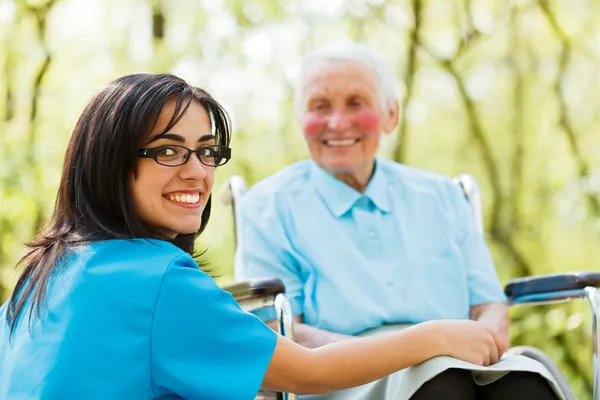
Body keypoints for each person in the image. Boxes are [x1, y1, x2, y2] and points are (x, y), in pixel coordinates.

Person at [0, 73, 514, 400]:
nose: (197, 172)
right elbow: (309, 371)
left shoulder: (41, 275)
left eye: (206, 151)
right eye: (168, 151)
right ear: (110, 164)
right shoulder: (155, 281)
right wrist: (435, 335)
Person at [235, 44, 564, 400]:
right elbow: (282, 332)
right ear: (301, 122)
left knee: (525, 385)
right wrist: (411, 351)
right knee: (441, 385)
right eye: (320, 106)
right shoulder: (268, 207)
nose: (338, 122)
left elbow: (489, 308)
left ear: (391, 115)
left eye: (356, 103)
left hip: (461, 359)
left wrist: (481, 344)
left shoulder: (441, 195)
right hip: (346, 375)